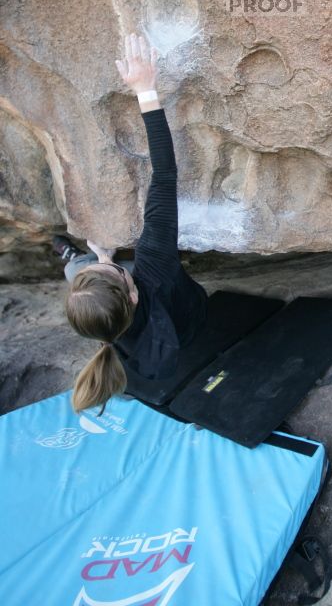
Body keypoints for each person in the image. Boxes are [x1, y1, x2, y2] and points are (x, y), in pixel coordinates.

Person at [53, 33, 208, 417]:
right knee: (83, 273)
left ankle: (74, 259)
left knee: (77, 270)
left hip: (142, 327)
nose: (112, 263)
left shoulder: (104, 325)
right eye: (116, 270)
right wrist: (145, 90)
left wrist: (102, 258)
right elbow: (165, 175)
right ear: (133, 291)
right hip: (191, 318)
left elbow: (102, 286)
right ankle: (82, 263)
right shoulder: (153, 267)